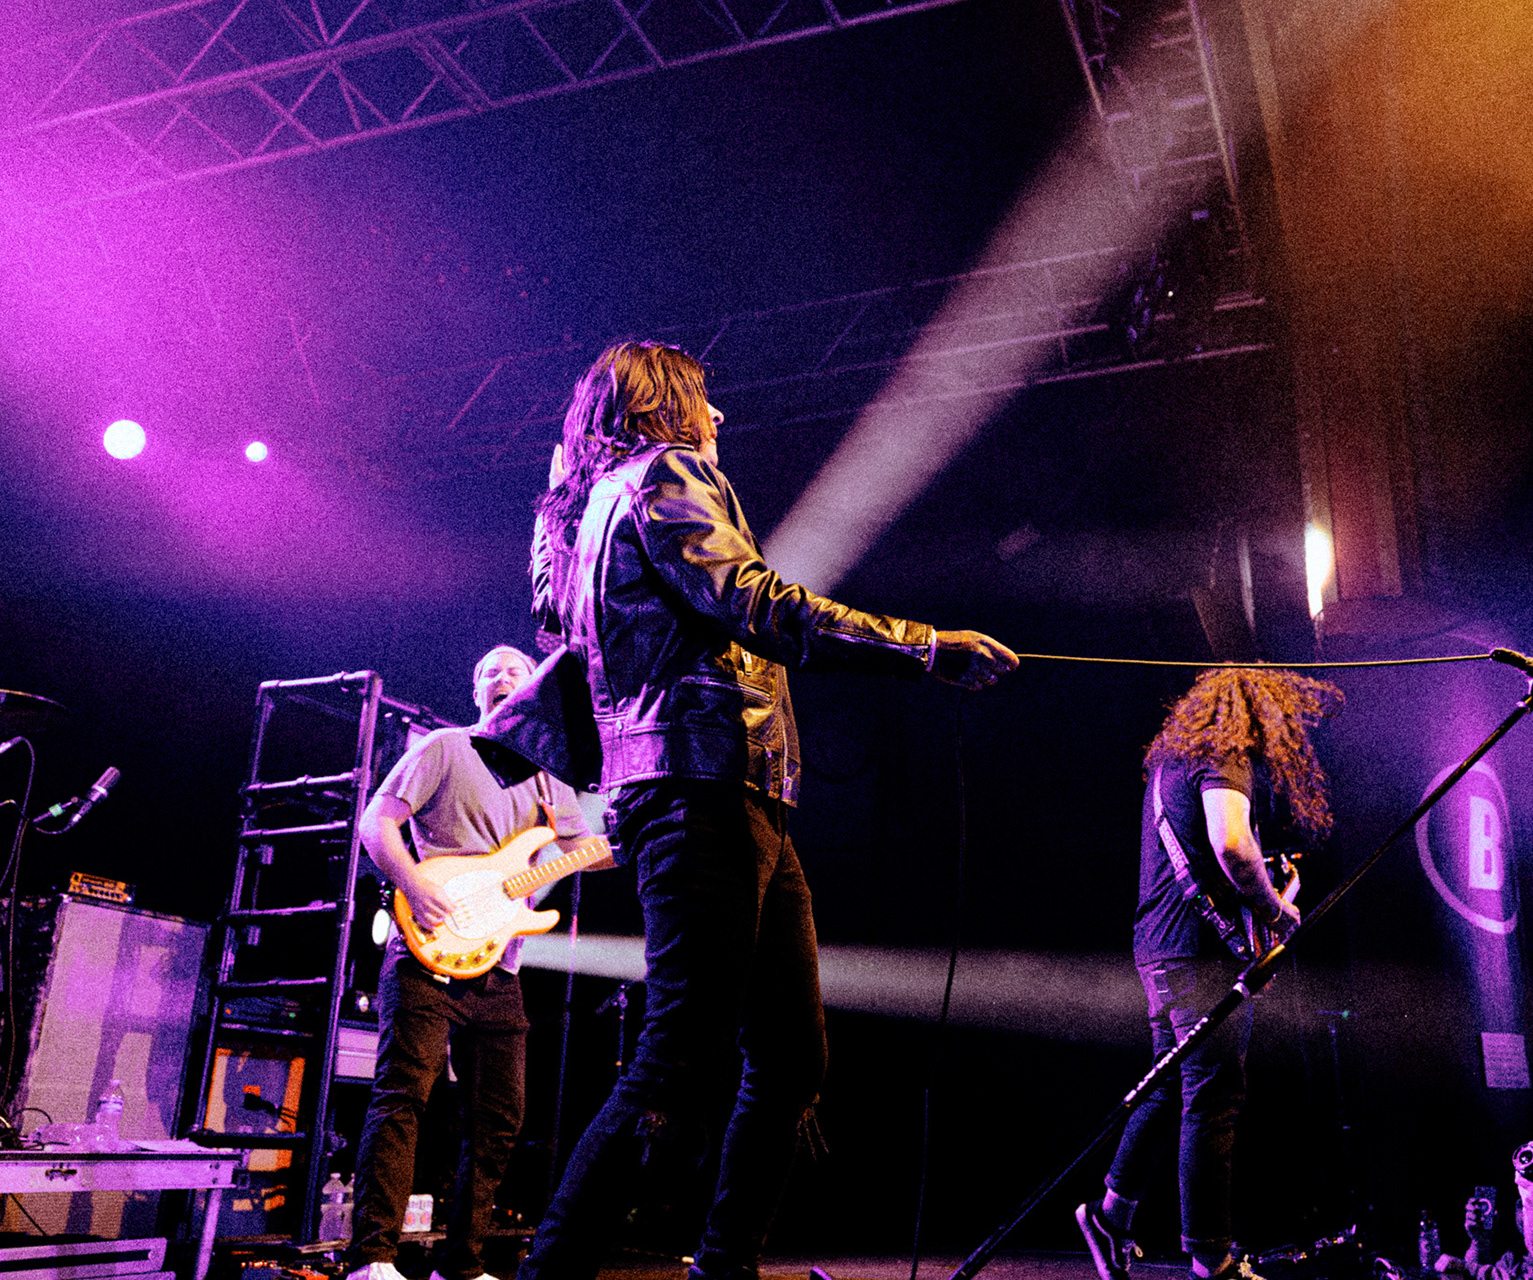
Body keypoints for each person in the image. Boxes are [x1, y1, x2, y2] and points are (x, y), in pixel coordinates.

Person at [483, 340, 1018, 1280]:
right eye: (703, 400)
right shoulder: (665, 476)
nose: (719, 417)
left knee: (790, 1056)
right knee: (677, 1053)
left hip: (702, 790)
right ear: (661, 407)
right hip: (705, 788)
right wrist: (924, 647)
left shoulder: (579, 517)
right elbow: (757, 604)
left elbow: (566, 634)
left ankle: (723, 1266)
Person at [1075, 667, 1341, 1280]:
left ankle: (1111, 1217)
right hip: (1198, 955)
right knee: (1213, 1096)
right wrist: (1276, 910)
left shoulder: (1173, 762)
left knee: (1168, 1084)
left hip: (1159, 946)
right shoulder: (1225, 756)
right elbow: (1231, 847)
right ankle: (1211, 1258)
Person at [344, 645, 601, 1280]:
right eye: (490, 671)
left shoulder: (550, 777)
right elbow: (377, 822)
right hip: (426, 951)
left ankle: (462, 1262)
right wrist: (413, 882)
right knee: (403, 1098)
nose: (504, 677)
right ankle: (372, 1257)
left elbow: (585, 850)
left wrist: (650, 829)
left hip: (499, 967)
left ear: (535, 693)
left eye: (517, 671)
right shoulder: (445, 747)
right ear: (476, 691)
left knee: (499, 1118)